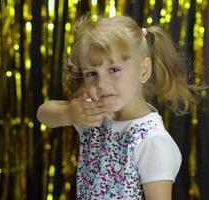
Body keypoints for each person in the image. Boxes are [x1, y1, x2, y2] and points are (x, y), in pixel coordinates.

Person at [37, 14, 198, 200]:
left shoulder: (152, 142)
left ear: (143, 71)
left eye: (114, 70)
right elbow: (43, 114)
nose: (102, 83)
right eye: (91, 74)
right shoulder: (94, 113)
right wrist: (69, 112)